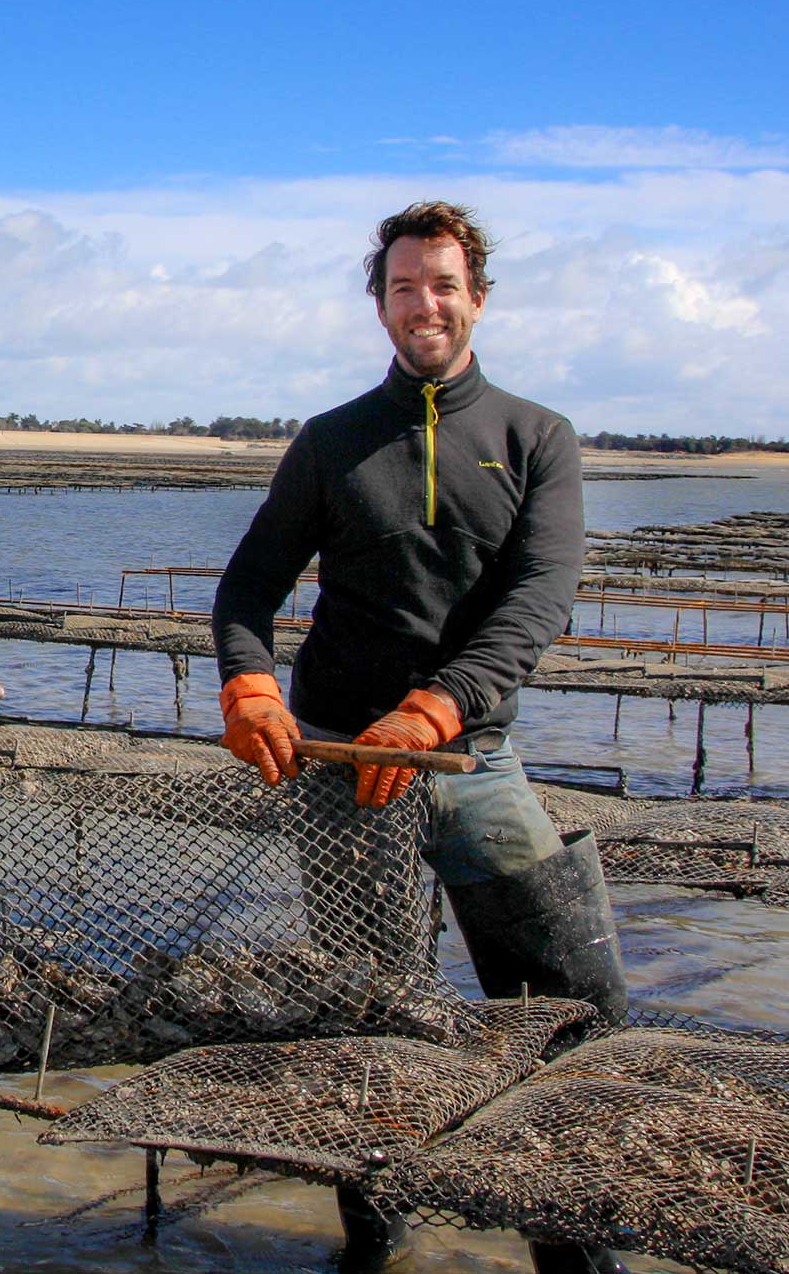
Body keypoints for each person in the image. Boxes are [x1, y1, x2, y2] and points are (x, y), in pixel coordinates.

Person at [211, 204, 629, 1274]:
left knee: (560, 1009)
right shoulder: (334, 440)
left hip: (476, 761)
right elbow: (251, 587)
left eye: (442, 284)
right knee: (370, 1009)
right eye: (404, 286)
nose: (424, 304)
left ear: (476, 296)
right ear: (380, 302)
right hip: (345, 765)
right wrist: (252, 686)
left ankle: (572, 1245)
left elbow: (537, 604)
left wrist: (438, 707)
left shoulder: (538, 438)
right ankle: (376, 1238)